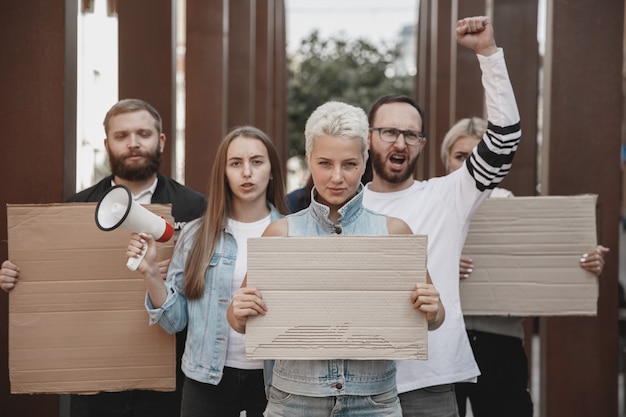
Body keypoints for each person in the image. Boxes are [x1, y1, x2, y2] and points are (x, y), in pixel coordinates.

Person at [227, 101, 445, 417]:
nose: (337, 177)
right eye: (325, 163)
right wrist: (240, 308)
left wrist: (433, 307)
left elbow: (434, 320)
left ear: (365, 161)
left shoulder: (394, 232)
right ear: (309, 161)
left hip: (374, 402)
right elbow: (239, 322)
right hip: (295, 401)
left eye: (350, 164)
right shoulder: (280, 233)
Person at [0, 98, 207, 417]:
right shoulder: (77, 208)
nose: (134, 144)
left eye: (143, 134)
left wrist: (187, 270)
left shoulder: (195, 208)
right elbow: (58, 281)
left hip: (171, 378)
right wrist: (20, 277)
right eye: (122, 136)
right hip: (97, 381)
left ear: (161, 140)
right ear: (107, 144)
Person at [361, 16, 519, 417]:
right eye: (388, 132)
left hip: (428, 388)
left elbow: (502, 141)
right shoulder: (343, 207)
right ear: (368, 138)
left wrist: (488, 54)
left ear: (422, 144)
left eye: (411, 135)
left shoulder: (449, 195)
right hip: (356, 384)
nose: (400, 142)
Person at [440, 117, 609, 417]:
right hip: (442, 342)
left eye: (477, 155)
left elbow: (546, 259)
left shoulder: (512, 208)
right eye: (460, 156)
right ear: (446, 162)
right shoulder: (430, 205)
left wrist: (582, 262)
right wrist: (442, 268)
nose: (469, 165)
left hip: (500, 344)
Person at [126, 126, 288, 417]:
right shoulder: (197, 234)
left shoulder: (294, 233)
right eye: (236, 163)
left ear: (272, 171)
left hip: (276, 381)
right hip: (207, 380)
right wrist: (150, 273)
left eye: (257, 162)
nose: (246, 172)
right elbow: (175, 322)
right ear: (223, 173)